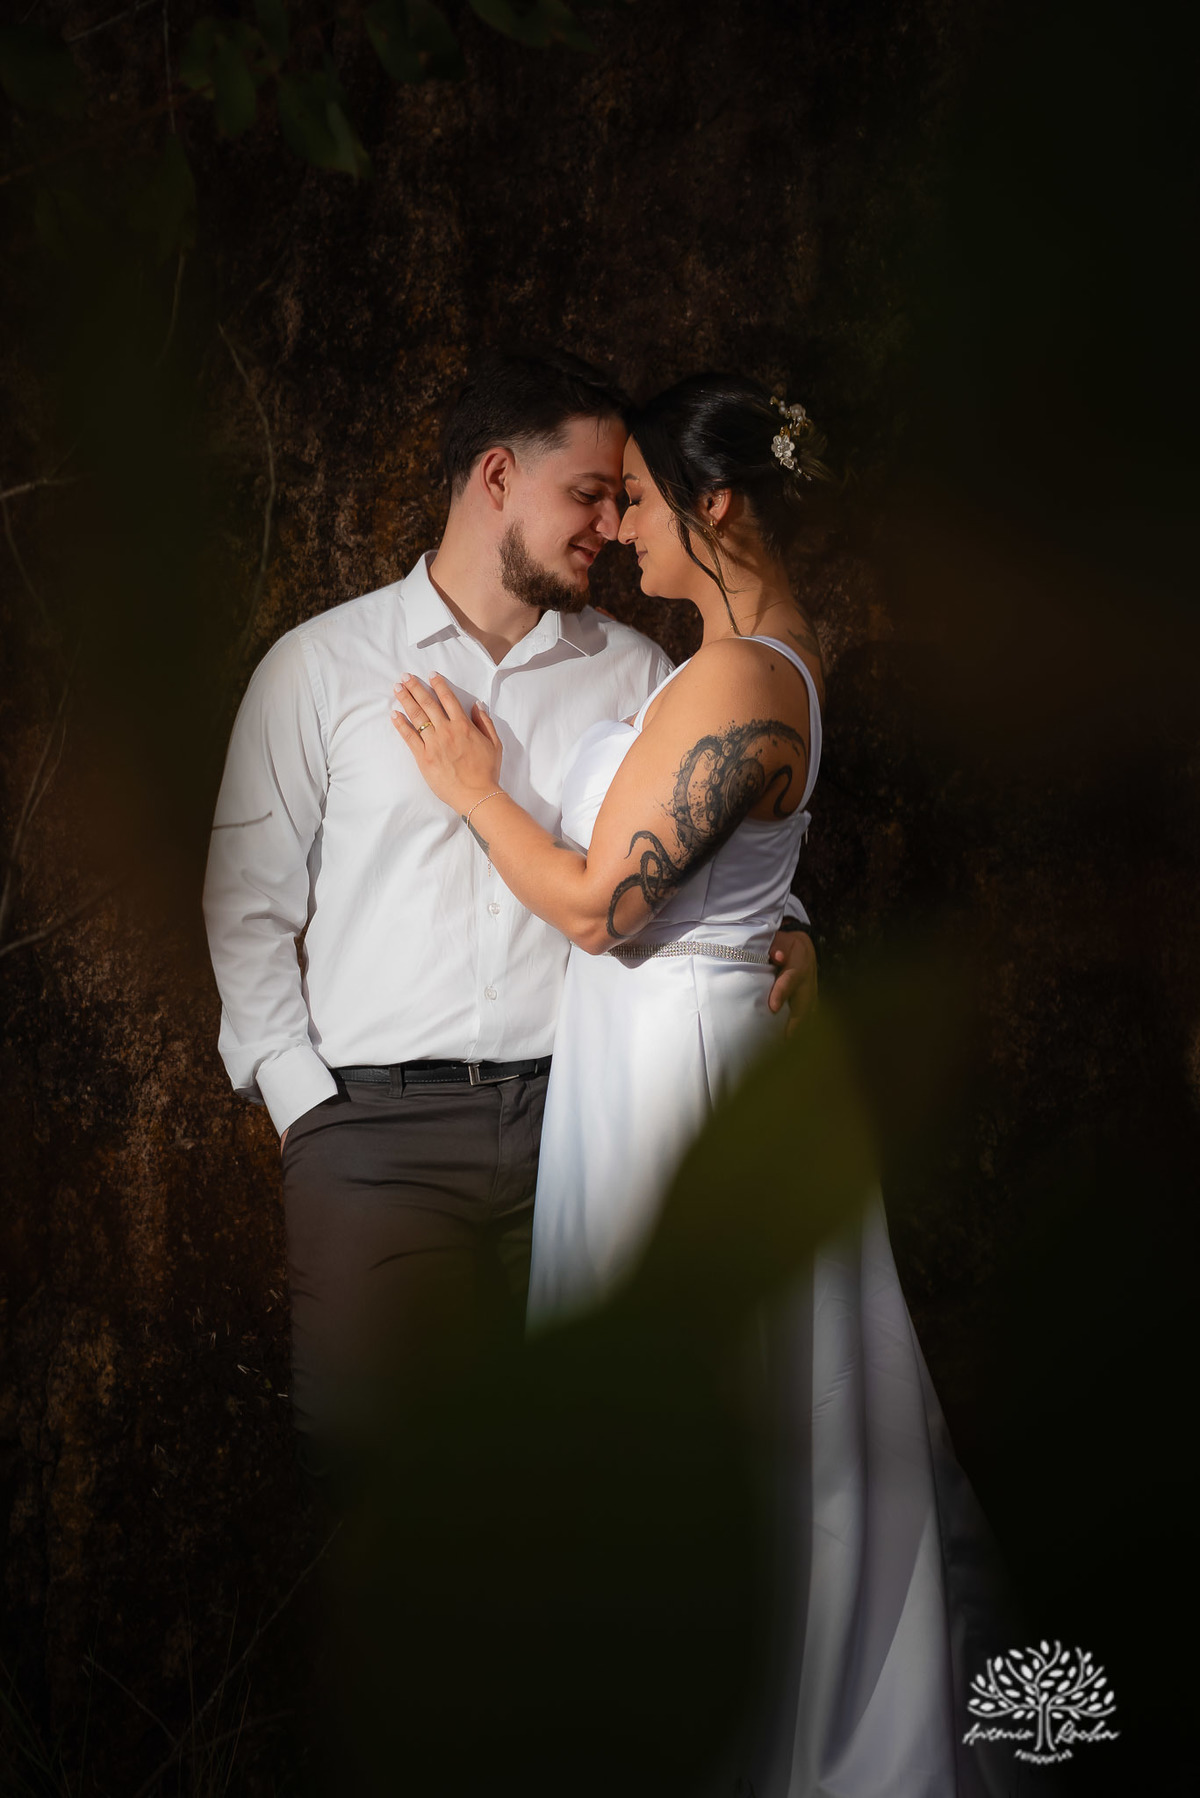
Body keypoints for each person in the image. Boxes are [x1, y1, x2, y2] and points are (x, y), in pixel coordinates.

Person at [393, 372, 1005, 1797]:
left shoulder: (738, 675)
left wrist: (474, 786)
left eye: (646, 501)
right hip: (676, 1044)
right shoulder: (759, 649)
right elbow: (738, 873)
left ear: (718, 504)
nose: (625, 527)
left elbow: (610, 908)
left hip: (684, 1079)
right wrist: (793, 929)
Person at [201, 347, 815, 1462]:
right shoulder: (318, 668)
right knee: (382, 1479)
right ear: (496, 479)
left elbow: (709, 828)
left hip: (580, 1124)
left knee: (575, 1473)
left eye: (625, 499)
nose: (612, 525)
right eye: (590, 493)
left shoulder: (638, 673)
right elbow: (245, 908)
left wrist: (796, 924)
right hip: (375, 1136)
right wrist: (312, 1112)